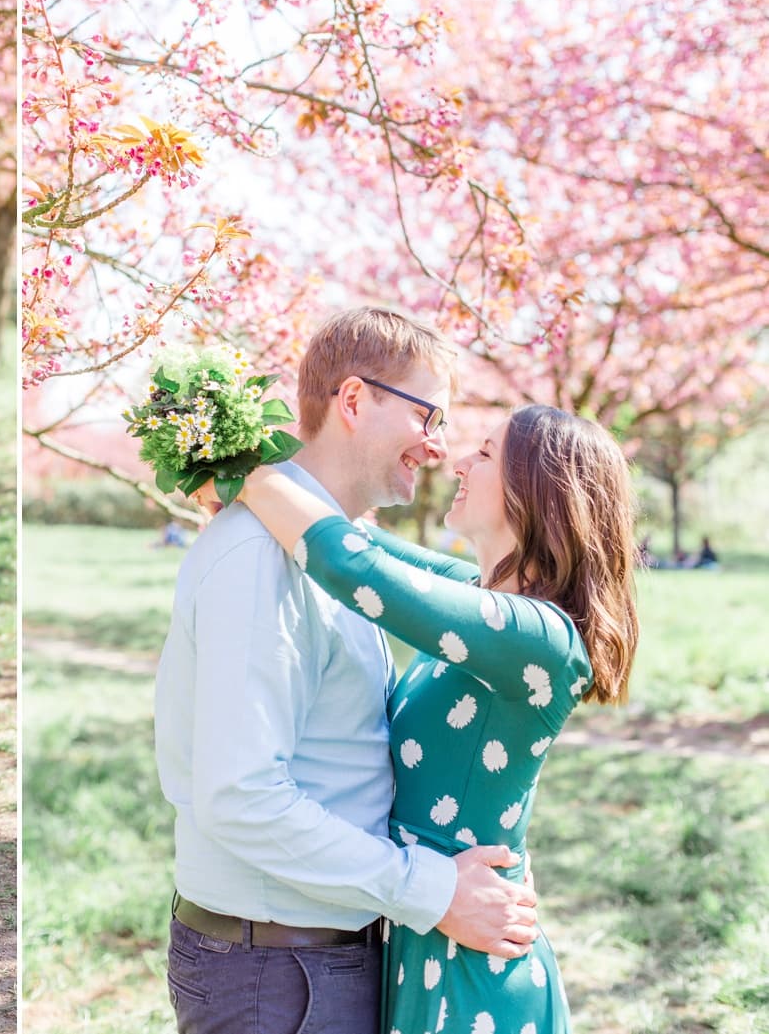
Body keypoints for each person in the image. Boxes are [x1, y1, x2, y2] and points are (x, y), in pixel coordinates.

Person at [154, 307, 539, 1034]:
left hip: (313, 963)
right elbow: (242, 797)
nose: (438, 448)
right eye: (429, 415)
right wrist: (433, 889)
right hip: (277, 973)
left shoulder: (343, 554)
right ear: (355, 401)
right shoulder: (261, 561)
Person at [231, 403, 638, 1032]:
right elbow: (362, 543)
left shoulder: (536, 636)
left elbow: (349, 567)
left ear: (537, 488)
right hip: (432, 927)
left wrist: (244, 473)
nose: (458, 462)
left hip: (470, 967)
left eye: (484, 451)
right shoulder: (487, 601)